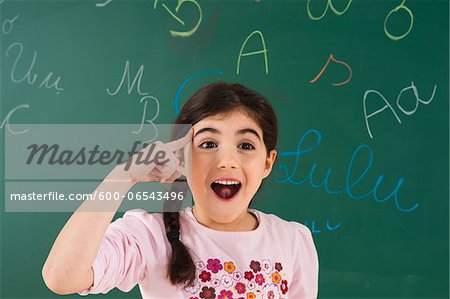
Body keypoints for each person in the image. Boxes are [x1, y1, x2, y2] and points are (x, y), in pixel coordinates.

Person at [42, 81, 319, 298]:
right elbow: (61, 277)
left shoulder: (293, 241)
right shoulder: (149, 236)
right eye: (208, 143)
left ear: (267, 163)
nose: (226, 161)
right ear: (182, 156)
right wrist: (122, 176)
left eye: (245, 145)